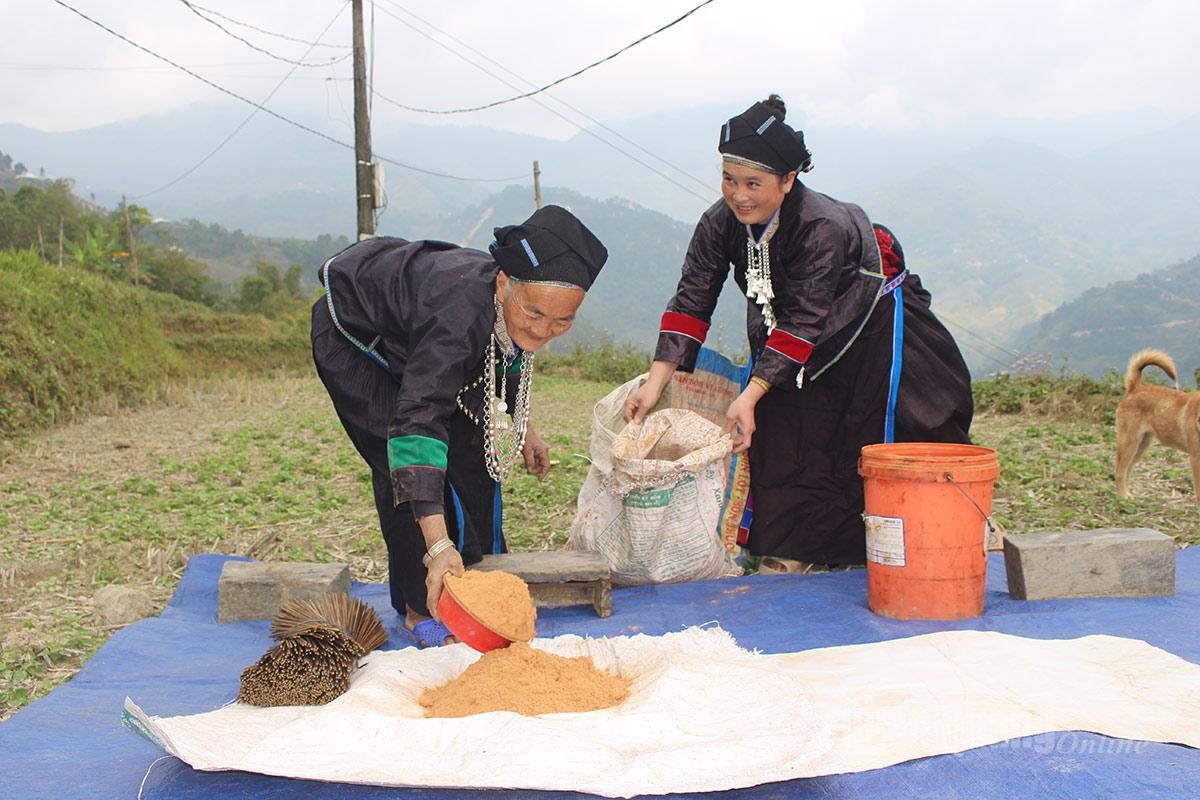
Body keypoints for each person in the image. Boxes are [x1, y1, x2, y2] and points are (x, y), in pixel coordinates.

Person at [625, 95, 971, 573]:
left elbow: (807, 317)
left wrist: (751, 391)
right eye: (729, 179)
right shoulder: (720, 223)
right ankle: (789, 551)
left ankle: (855, 554)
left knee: (849, 439)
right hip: (783, 337)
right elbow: (691, 299)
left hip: (861, 332)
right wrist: (654, 384)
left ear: (788, 181)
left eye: (753, 183)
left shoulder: (821, 226)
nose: (738, 194)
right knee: (781, 432)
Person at [312, 205, 607, 645]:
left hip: (424, 333)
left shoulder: (512, 306)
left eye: (562, 320)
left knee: (472, 446)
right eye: (535, 313)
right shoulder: (458, 318)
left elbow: (507, 352)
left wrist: (520, 425)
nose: (545, 330)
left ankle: (478, 578)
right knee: (406, 460)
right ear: (504, 284)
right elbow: (417, 423)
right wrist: (436, 545)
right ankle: (421, 605)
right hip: (359, 342)